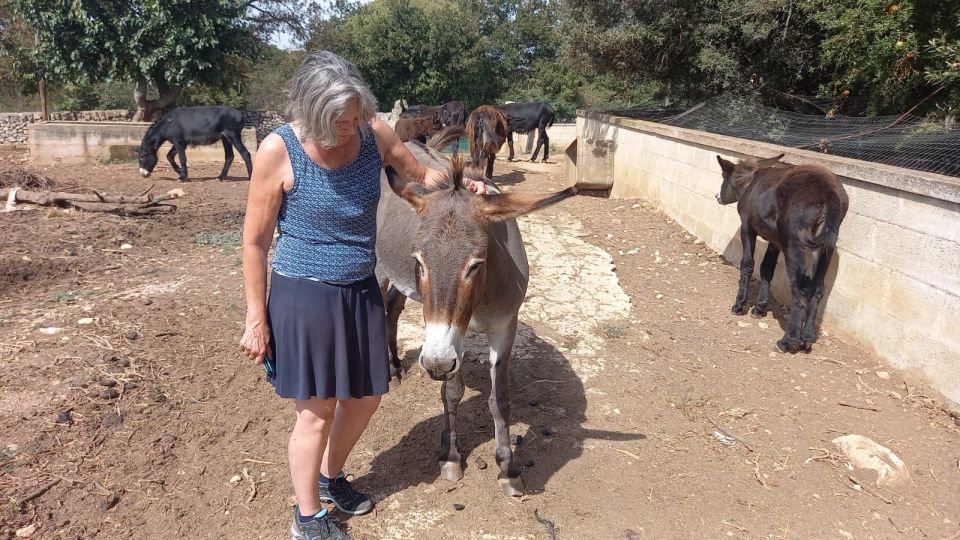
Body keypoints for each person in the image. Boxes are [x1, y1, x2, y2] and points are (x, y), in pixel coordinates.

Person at [238, 51, 486, 540]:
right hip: (303, 293)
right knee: (316, 410)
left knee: (368, 395)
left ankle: (329, 479)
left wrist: (463, 187)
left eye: (356, 117)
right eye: (339, 121)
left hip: (359, 287)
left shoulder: (373, 133)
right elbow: (254, 241)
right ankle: (306, 516)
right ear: (310, 113)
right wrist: (254, 316)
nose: (351, 128)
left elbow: (419, 174)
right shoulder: (278, 150)